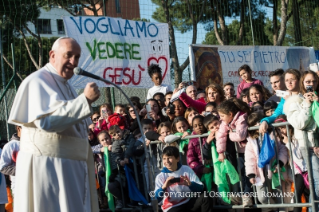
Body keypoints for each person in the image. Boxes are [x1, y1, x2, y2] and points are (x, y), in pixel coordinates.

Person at [7, 37, 100, 212]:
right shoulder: (37, 81)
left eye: (77, 57)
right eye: (68, 55)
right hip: (49, 170)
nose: (73, 62)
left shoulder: (68, 86)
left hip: (69, 171)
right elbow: (47, 122)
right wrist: (85, 100)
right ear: (52, 55)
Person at [283, 70, 319, 212]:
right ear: (303, 83)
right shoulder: (294, 103)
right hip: (308, 147)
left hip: (317, 144)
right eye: (308, 82)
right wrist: (307, 104)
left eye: (314, 81)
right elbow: (300, 123)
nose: (311, 84)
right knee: (316, 183)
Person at [154, 146, 212, 212]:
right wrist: (164, 187)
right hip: (171, 207)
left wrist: (190, 184)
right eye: (164, 158)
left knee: (205, 197)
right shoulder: (160, 176)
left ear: (177, 159)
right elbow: (156, 199)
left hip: (187, 202)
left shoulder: (186, 169)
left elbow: (201, 188)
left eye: (169, 158)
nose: (166, 161)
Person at [259, 69, 301, 133]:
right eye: (287, 80)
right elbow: (275, 115)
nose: (289, 82)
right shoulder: (284, 99)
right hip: (293, 135)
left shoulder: (305, 95)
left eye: (292, 79)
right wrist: (265, 121)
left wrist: (290, 101)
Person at [0, 126, 21, 196]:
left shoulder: (34, 143)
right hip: (19, 188)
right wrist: (23, 170)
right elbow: (3, 167)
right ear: (18, 128)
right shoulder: (11, 145)